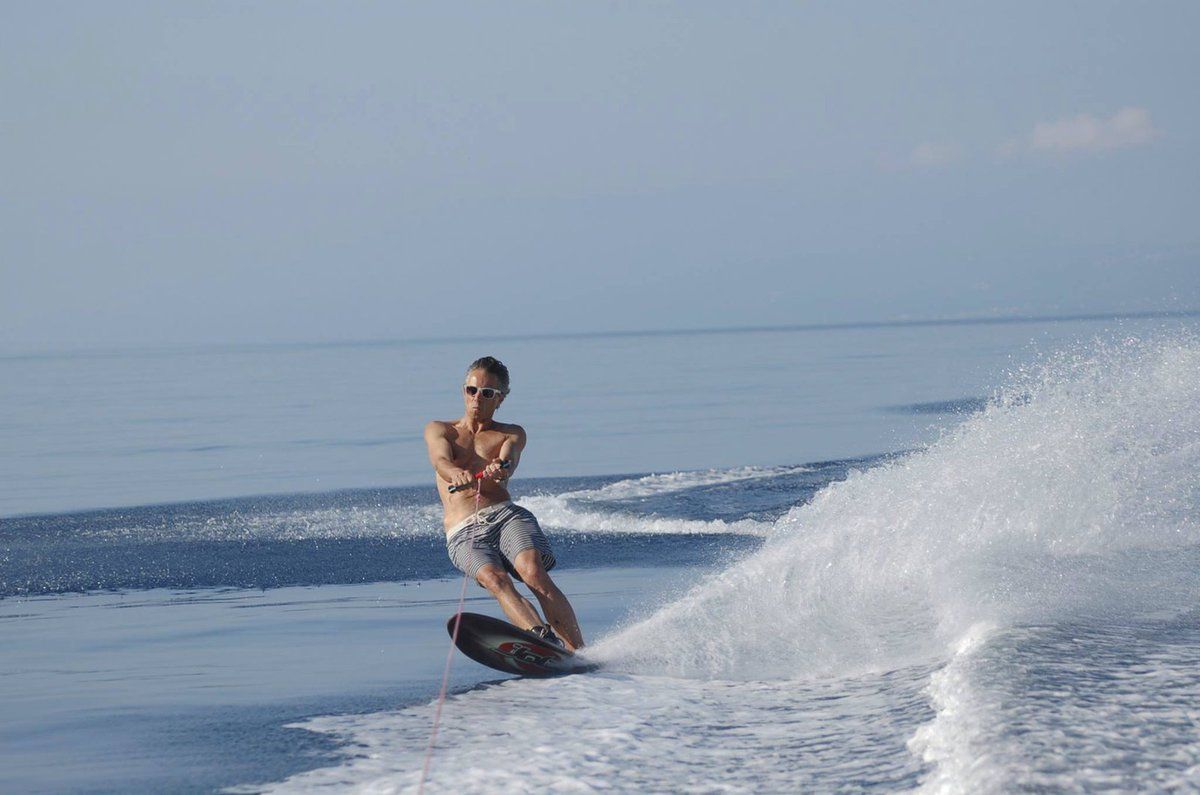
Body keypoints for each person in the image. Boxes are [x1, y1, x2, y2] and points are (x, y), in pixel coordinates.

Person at [424, 356, 584, 650]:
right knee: (496, 579)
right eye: (471, 390)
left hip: (506, 516)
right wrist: (455, 473)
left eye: (487, 393)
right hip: (463, 531)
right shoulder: (439, 430)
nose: (476, 399)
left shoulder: (511, 433)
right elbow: (440, 461)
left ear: (500, 399)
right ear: (464, 391)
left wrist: (502, 468)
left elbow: (508, 459)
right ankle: (542, 640)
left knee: (533, 572)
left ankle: (578, 652)